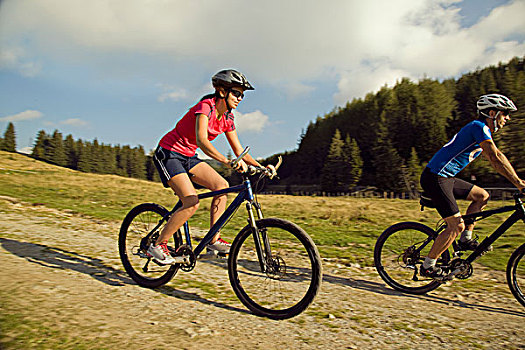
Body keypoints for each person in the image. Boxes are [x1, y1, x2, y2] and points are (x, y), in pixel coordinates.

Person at [149, 69, 275, 265]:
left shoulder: (228, 118)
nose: (240, 98)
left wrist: (261, 167)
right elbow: (202, 141)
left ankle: (213, 241)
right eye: (236, 93)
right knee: (191, 201)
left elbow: (239, 150)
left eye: (242, 94)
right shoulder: (205, 107)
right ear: (222, 91)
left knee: (221, 186)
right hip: (169, 153)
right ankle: (158, 244)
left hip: (189, 156)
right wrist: (227, 162)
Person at [419, 93, 525, 278]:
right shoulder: (479, 127)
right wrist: (519, 183)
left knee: (482, 196)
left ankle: (465, 240)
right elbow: (495, 158)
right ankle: (428, 266)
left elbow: (496, 156)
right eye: (505, 113)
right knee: (455, 225)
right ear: (492, 113)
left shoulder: (483, 131)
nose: (507, 118)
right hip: (435, 177)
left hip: (447, 177)